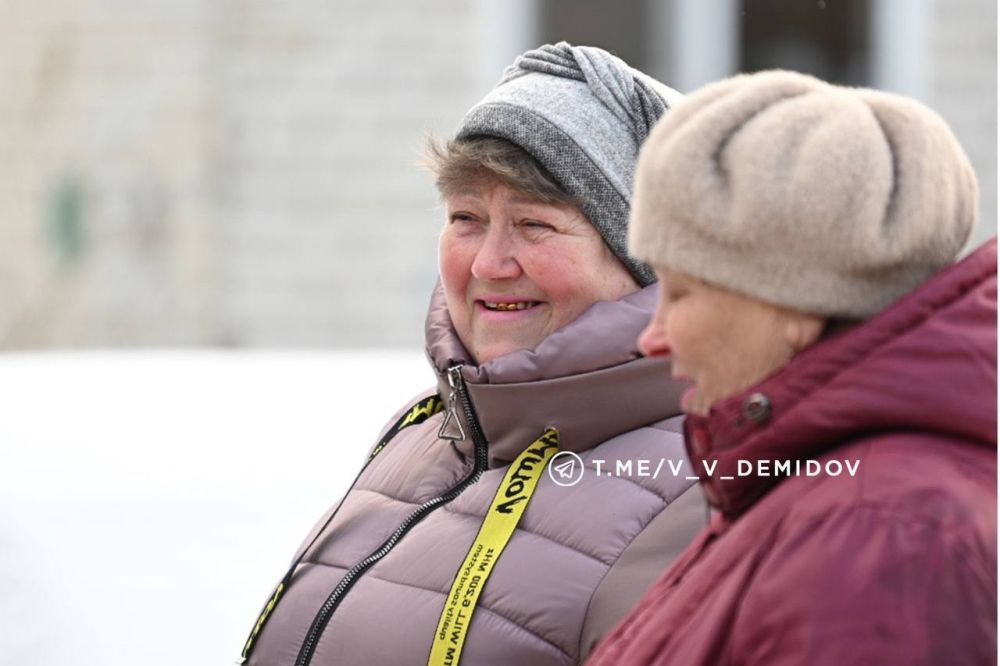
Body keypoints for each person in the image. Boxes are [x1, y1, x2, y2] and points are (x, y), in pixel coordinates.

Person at [238, 43, 708, 666]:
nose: (488, 263)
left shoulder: (698, 495)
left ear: (642, 259)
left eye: (534, 225)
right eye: (466, 217)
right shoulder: (425, 431)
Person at [588, 70, 997, 665]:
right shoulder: (838, 494)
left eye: (680, 294)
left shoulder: (876, 530)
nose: (652, 337)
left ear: (796, 304)